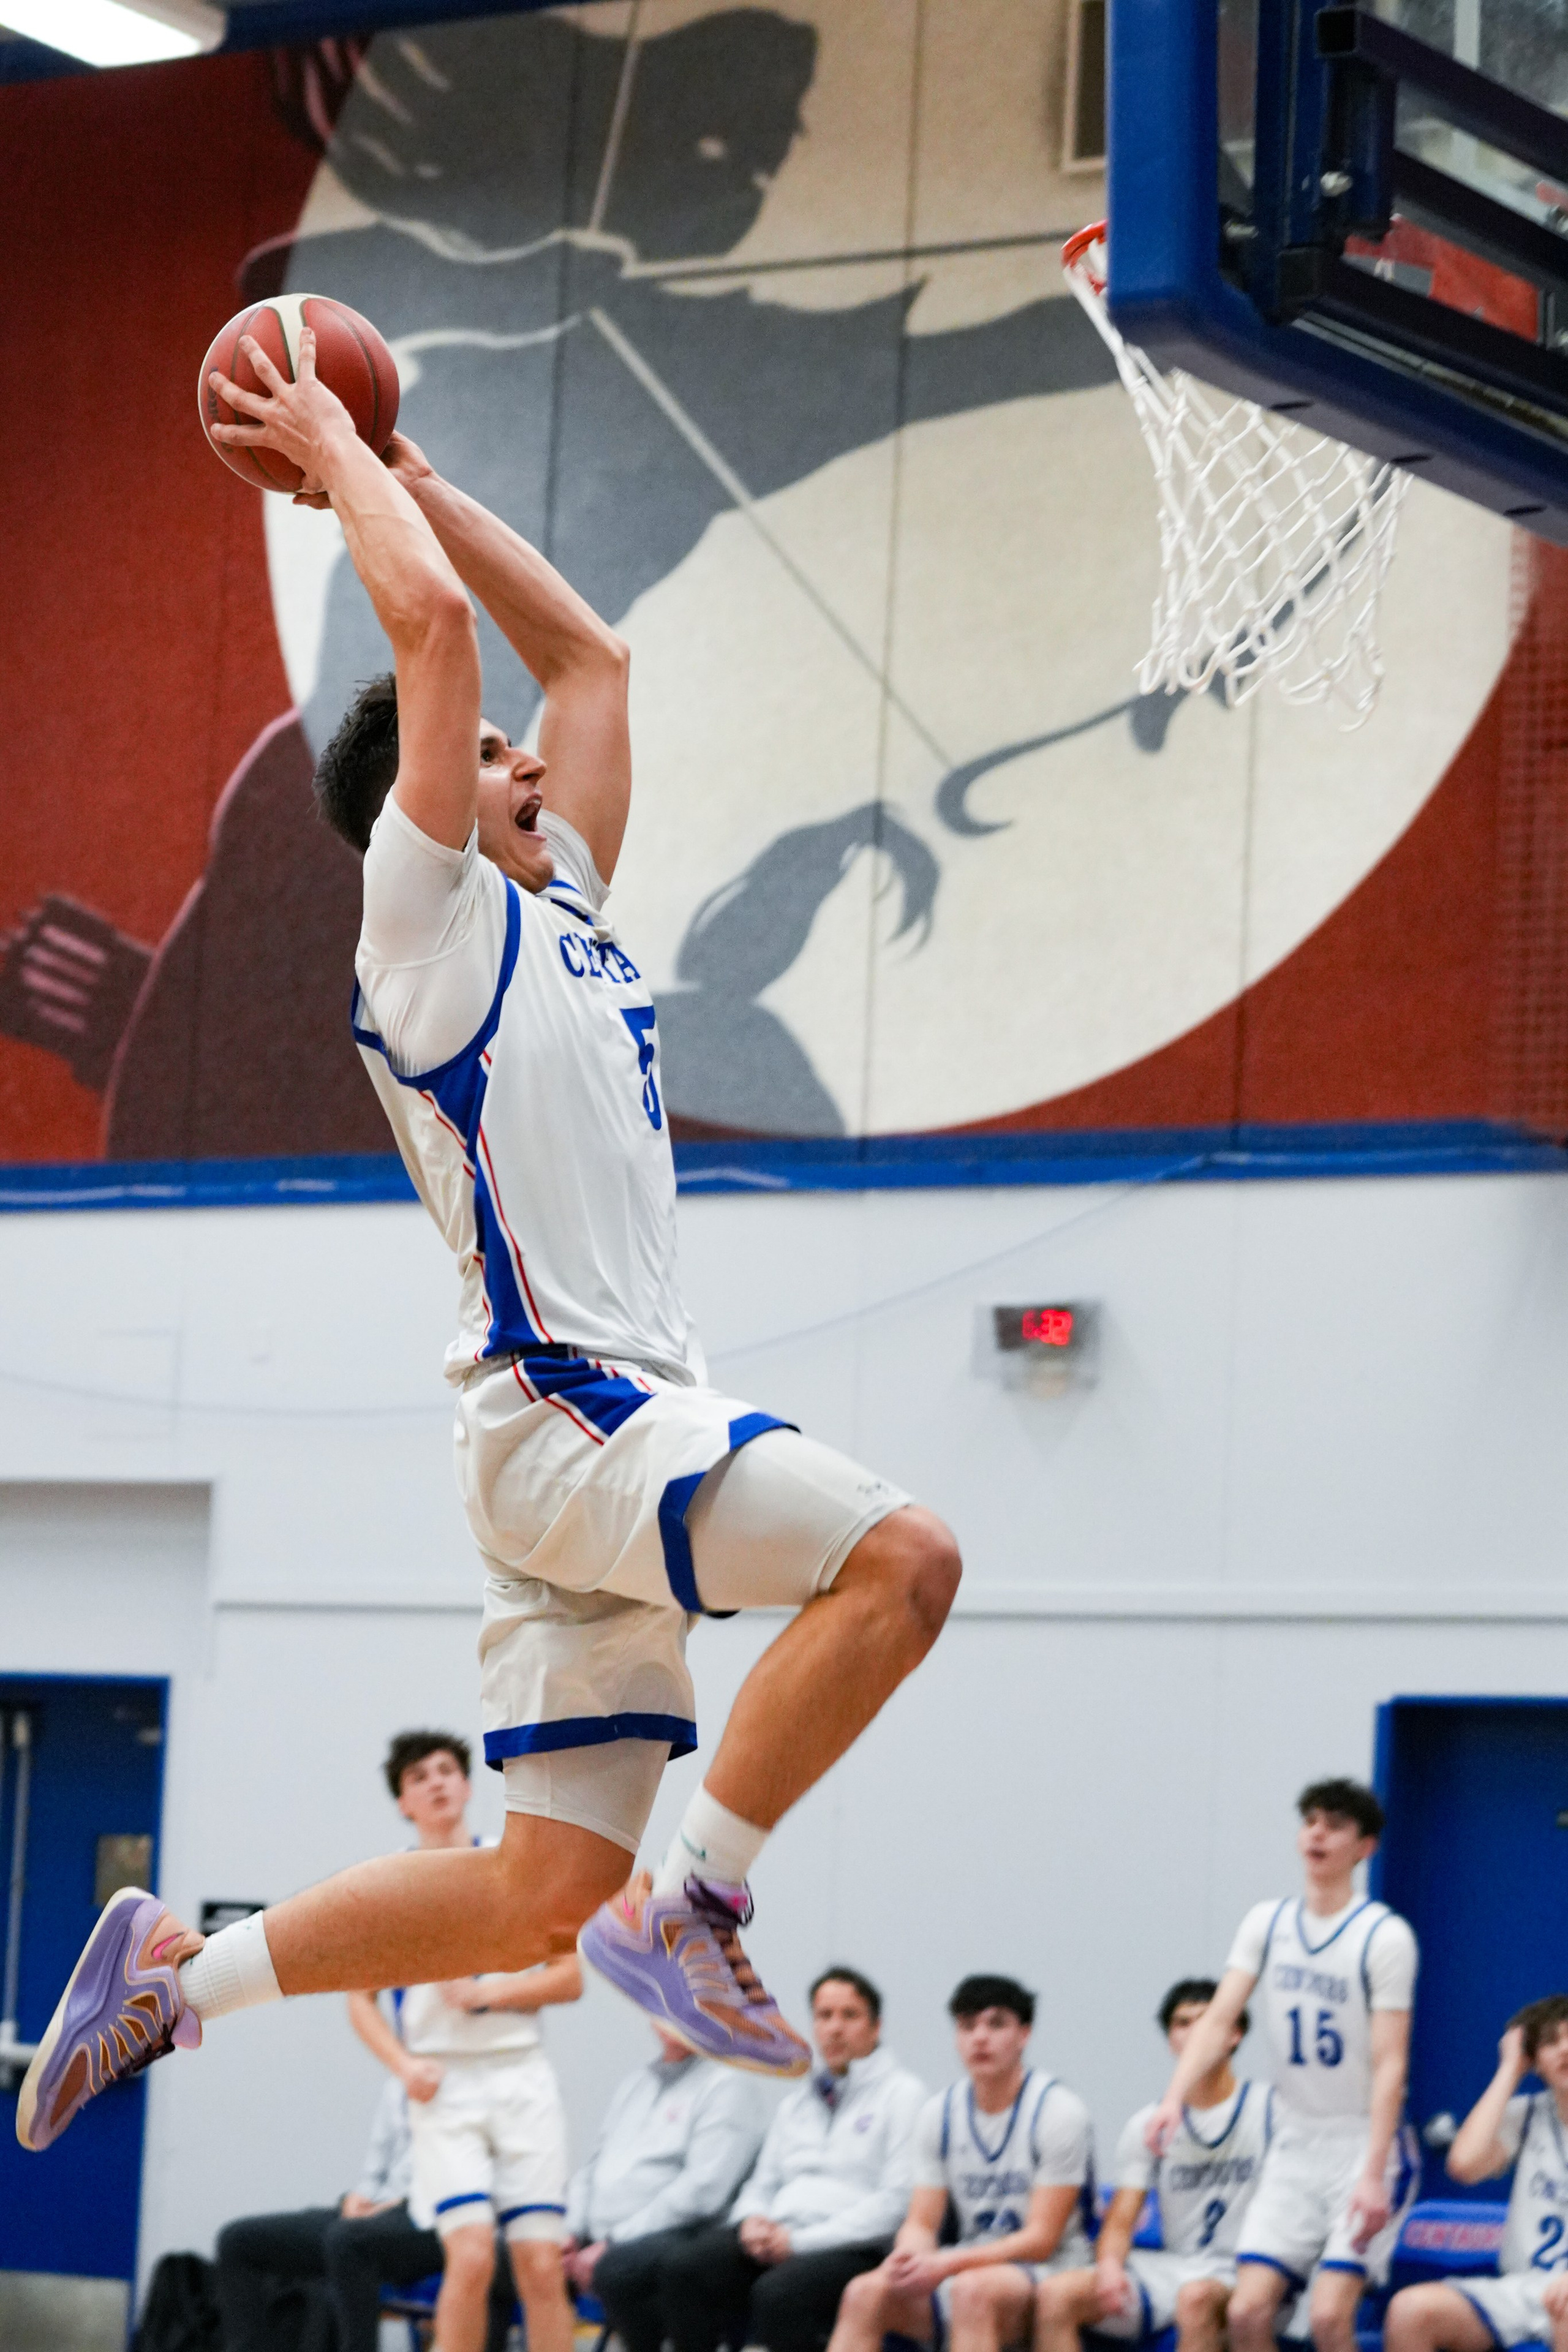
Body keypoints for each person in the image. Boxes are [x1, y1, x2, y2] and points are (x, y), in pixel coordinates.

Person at [17, 303, 962, 2152]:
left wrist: (422, 477)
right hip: (572, 1415)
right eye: (500, 760)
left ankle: (165, 1974)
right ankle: (702, 1899)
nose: (538, 758)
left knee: (532, 1891)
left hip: (568, 1452)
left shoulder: (578, 912)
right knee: (905, 1561)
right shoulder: (426, 924)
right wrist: (338, 458)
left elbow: (591, 657)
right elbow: (435, 635)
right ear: (433, 808)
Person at [1144, 1778, 1420, 2352]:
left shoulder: (1385, 1937)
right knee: (1247, 2312)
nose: (1317, 1833)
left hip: (1362, 2143)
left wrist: (1373, 2174)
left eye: (1336, 1824)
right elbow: (1219, 2020)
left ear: (1365, 1846)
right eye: (1311, 1820)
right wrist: (1173, 2096)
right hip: (1295, 2142)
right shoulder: (1266, 1924)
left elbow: (1392, 2062)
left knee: (1326, 2319)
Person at [343, 1730, 582, 2352]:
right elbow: (358, 2002)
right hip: (444, 2085)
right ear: (403, 1802)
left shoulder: (514, 1865)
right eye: (420, 1777)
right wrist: (402, 2066)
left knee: (539, 2264)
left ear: (469, 1785)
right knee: (471, 2257)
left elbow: (570, 1976)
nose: (437, 1782)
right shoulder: (391, 1885)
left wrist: (488, 1995)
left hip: (520, 2073)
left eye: (447, 1769)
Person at [648, 1966, 926, 2352]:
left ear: (876, 2027)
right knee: (685, 2269)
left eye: (850, 2015)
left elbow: (896, 2204)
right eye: (824, 2016)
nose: (835, 2028)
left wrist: (800, 2241)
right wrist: (751, 2221)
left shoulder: (904, 2096)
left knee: (778, 2295)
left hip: (853, 2247)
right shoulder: (799, 2101)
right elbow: (762, 2183)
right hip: (779, 2236)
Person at [827, 1973, 1093, 2352]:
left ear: (1025, 2034)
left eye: (996, 2024)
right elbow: (922, 2221)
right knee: (864, 2292)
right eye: (968, 2026)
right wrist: (909, 2256)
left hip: (1055, 2268)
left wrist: (947, 2265)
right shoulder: (939, 2113)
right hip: (971, 2262)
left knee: (972, 2293)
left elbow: (1041, 2239)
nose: (980, 2038)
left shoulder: (1059, 2111)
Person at [1036, 1977, 1272, 2352]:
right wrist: (1110, 2266)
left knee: (1195, 2300)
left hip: (1254, 2273)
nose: (1195, 2032)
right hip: (1177, 2269)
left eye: (1207, 2020)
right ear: (1170, 2042)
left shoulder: (1270, 2111)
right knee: (1056, 2294)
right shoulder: (1149, 2124)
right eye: (1182, 2023)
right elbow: (1122, 2217)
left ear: (1235, 2034)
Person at [214, 2072, 513, 2352]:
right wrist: (359, 2197)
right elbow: (378, 2165)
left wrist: (399, 2205)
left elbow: (486, 2178)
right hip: (381, 2214)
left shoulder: (486, 2077)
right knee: (238, 2241)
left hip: (440, 2222)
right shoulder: (402, 2077)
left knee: (349, 2241)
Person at [563, 2024, 769, 2352]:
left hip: (681, 2233)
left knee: (617, 2270)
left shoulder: (727, 2083)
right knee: (518, 2260)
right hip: (603, 2238)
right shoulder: (637, 2083)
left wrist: (612, 2241)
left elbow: (703, 2192)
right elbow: (593, 2167)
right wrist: (570, 2232)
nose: (671, 2017)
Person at [1384, 1994, 1568, 2352]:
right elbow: (1464, 2165)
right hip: (1525, 2288)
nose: (1565, 2050)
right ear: (1536, 2061)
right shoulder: (1528, 2115)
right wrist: (1510, 2070)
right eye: (1551, 2042)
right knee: (1410, 2311)